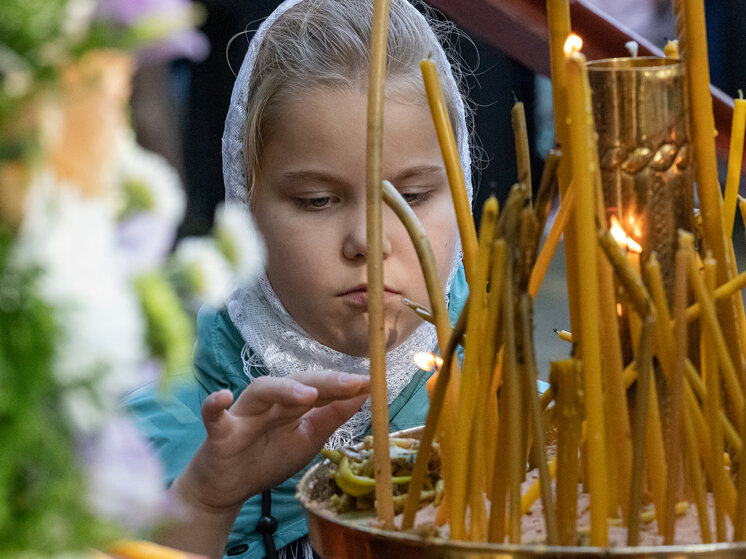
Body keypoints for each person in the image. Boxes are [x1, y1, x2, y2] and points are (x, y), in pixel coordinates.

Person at [125, 0, 472, 557]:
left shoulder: (534, 432)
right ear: (246, 198)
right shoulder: (140, 449)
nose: (369, 241)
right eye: (318, 200)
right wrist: (207, 501)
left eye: (411, 198)